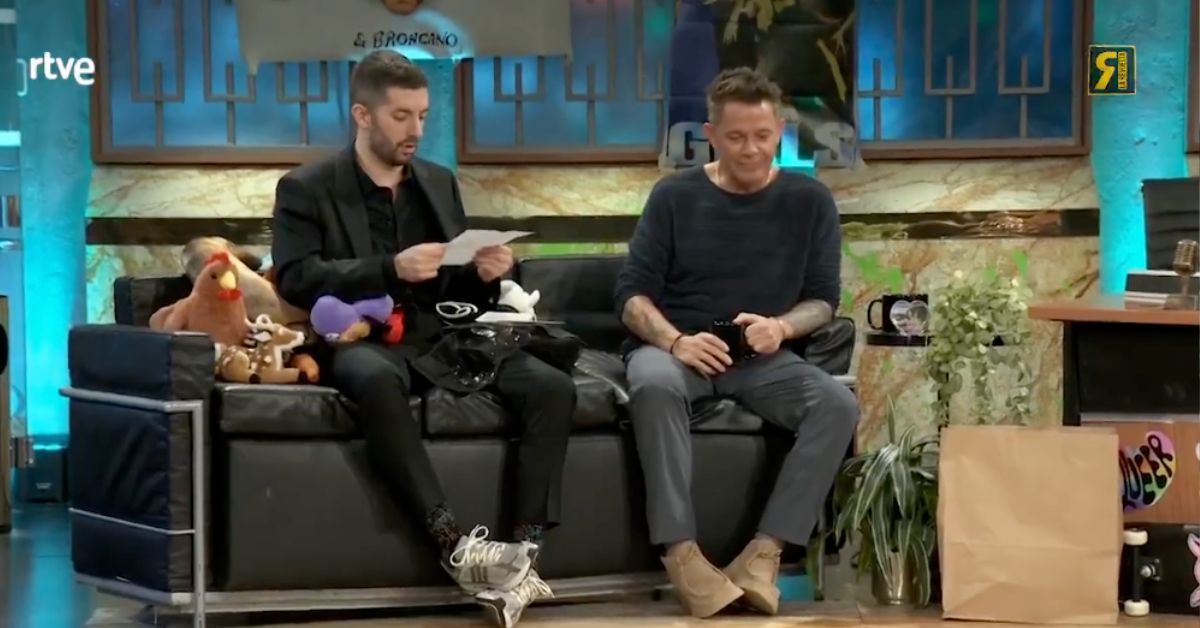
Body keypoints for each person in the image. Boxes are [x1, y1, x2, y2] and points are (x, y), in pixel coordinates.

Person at [271, 50, 571, 628]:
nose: (415, 130)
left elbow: (453, 281)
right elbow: (296, 277)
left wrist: (486, 273)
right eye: (401, 116)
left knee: (551, 387)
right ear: (363, 115)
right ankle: (454, 546)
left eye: (423, 116)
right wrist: (389, 268)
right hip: (363, 337)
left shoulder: (437, 181)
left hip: (442, 333)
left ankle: (523, 554)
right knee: (373, 379)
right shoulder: (307, 187)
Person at [613, 67, 859, 619]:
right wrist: (676, 342)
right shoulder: (674, 195)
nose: (751, 149)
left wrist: (782, 328)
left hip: (761, 358)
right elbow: (630, 296)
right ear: (711, 135)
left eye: (763, 136)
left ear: (780, 133)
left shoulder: (810, 200)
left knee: (837, 405)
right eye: (737, 137)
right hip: (681, 351)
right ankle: (681, 555)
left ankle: (764, 556)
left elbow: (823, 299)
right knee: (652, 385)